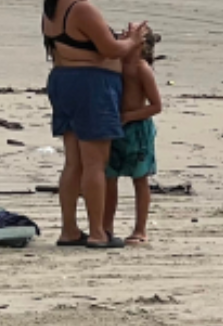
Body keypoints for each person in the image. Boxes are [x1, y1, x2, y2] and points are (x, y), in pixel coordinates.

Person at [42, 0, 148, 249]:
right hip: (91, 86)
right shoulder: (81, 8)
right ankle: (98, 232)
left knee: (73, 162)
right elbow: (110, 49)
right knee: (95, 163)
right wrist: (133, 39)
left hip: (64, 80)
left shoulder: (52, 9)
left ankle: (69, 229)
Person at [102, 26, 162, 246]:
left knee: (140, 179)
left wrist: (130, 116)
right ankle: (106, 226)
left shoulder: (141, 68)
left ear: (141, 43)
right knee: (110, 178)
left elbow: (156, 106)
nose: (123, 34)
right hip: (115, 127)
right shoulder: (116, 63)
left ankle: (140, 229)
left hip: (137, 130)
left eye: (129, 32)